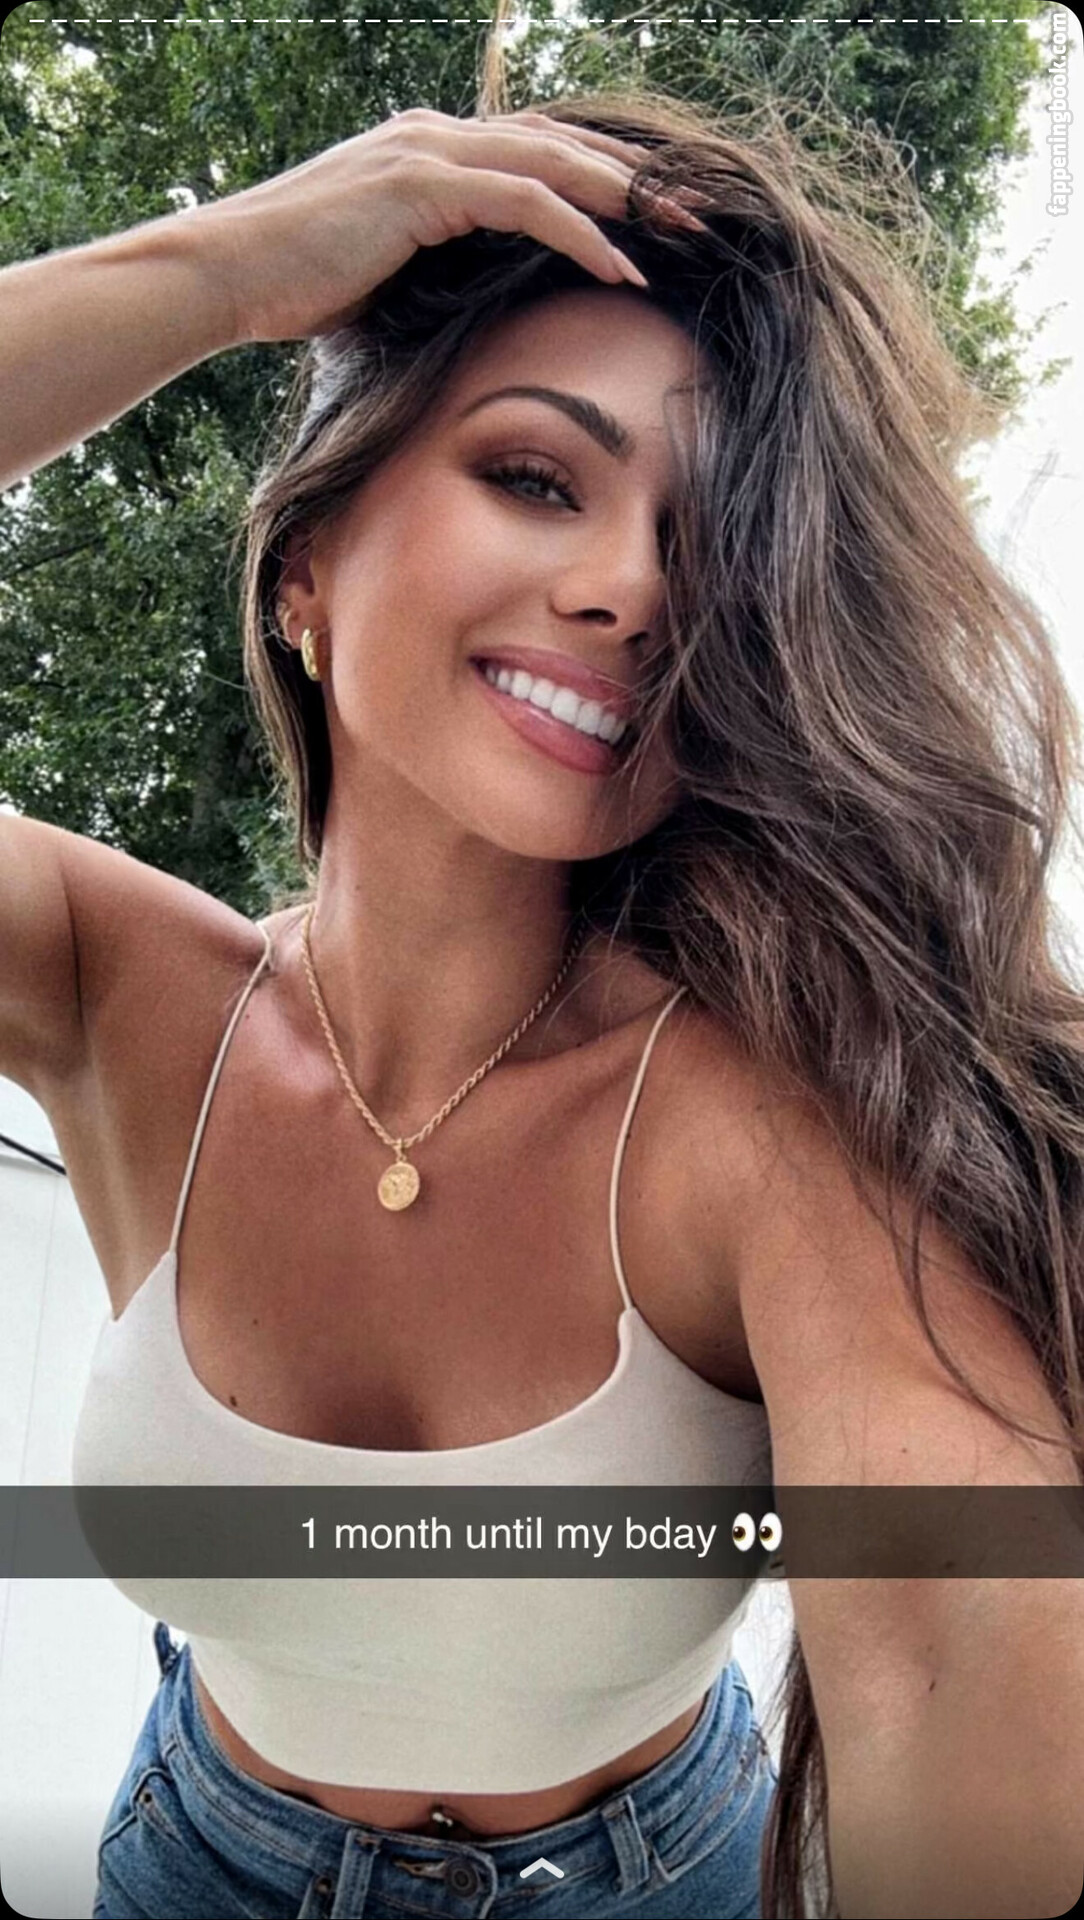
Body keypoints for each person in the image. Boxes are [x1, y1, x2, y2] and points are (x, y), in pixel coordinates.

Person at [2, 68, 1083, 1920]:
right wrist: (226, 271)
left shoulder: (768, 1113)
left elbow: (954, 1635)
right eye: (532, 475)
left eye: (705, 540)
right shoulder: (117, 995)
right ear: (306, 565)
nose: (632, 588)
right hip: (193, 1860)